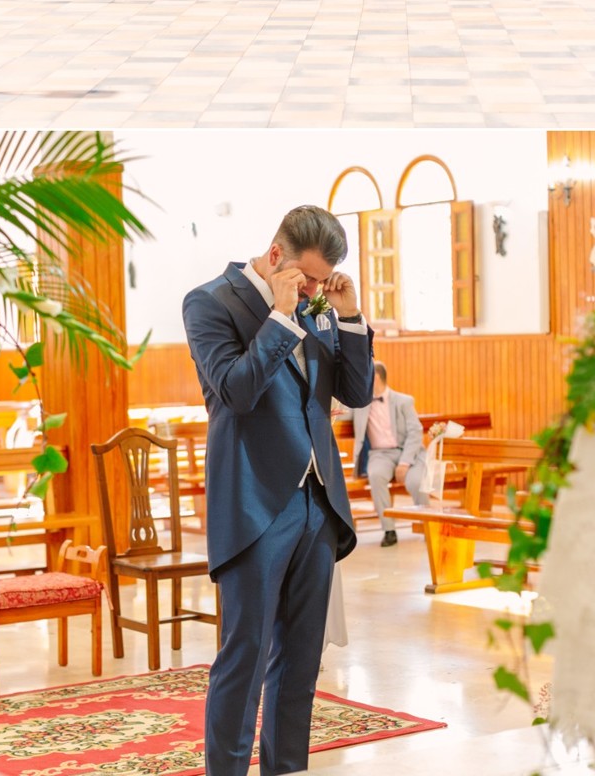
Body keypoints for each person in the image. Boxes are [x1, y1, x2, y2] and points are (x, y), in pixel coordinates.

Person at [182, 206, 374, 776]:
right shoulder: (209, 303)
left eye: (322, 281)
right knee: (244, 659)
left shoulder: (318, 306)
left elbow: (357, 393)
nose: (316, 288)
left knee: (300, 663)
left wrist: (350, 317)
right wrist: (283, 318)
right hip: (254, 505)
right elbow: (236, 391)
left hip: (319, 503)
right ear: (275, 257)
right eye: (309, 278)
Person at [351, 363, 427, 546]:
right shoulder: (360, 405)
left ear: (376, 377)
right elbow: (341, 413)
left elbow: (415, 433)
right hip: (380, 454)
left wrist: (405, 462)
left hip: (408, 452)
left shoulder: (404, 401)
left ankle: (429, 526)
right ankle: (389, 530)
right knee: (376, 476)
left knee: (416, 482)